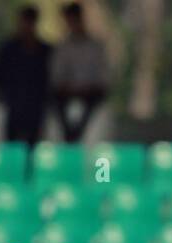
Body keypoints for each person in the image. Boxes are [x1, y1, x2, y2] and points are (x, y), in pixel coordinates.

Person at [0, 6, 51, 147]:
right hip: (14, 105)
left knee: (33, 146)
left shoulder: (44, 50)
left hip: (36, 107)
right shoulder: (9, 50)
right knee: (11, 146)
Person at [51, 2, 110, 143]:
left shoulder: (95, 46)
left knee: (90, 107)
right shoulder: (63, 47)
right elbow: (57, 75)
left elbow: (102, 74)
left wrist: (88, 87)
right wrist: (69, 87)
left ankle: (76, 137)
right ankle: (70, 139)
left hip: (91, 92)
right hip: (67, 92)